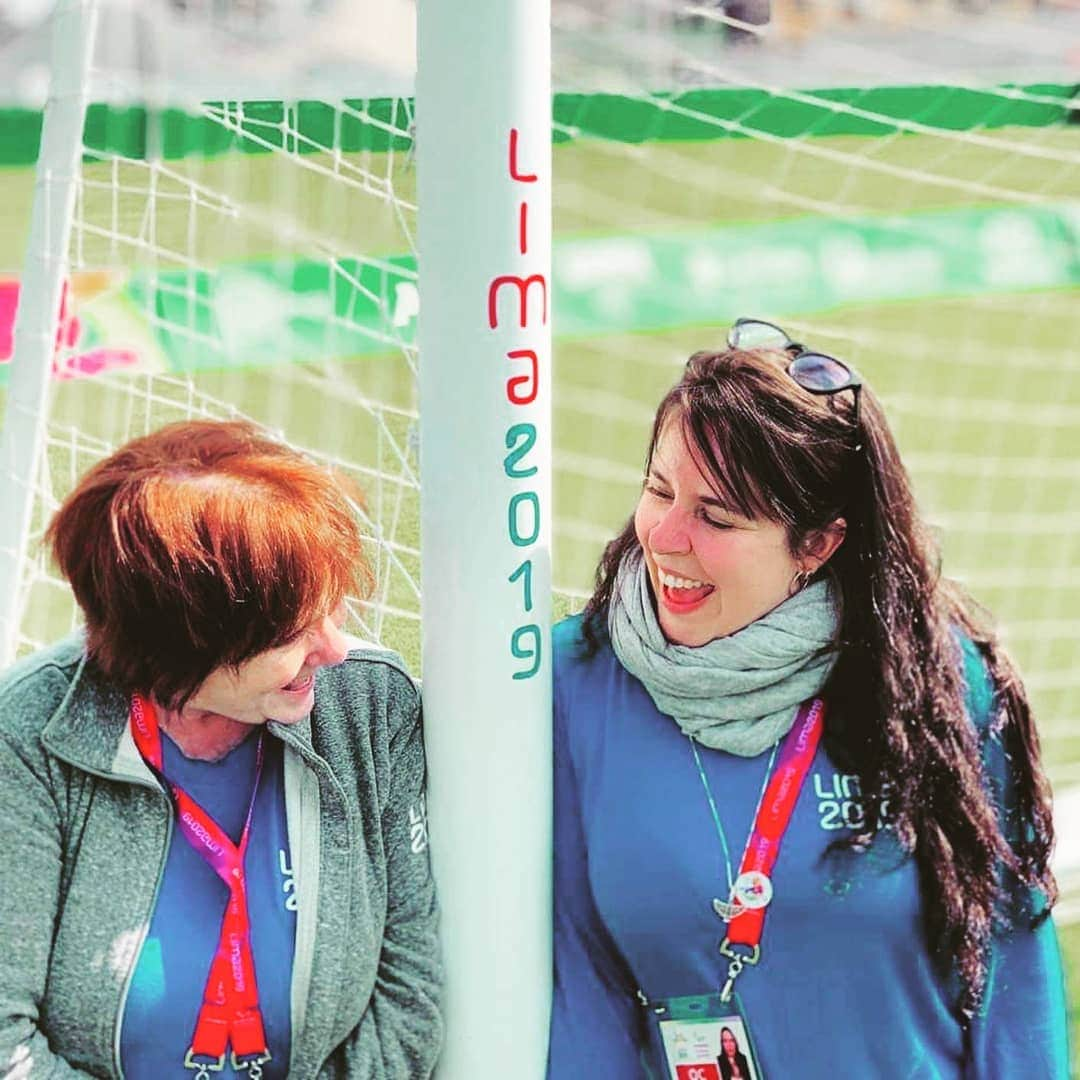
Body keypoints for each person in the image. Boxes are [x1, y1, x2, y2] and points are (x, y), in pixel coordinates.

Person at [547, 319, 1069, 1078]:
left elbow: (1010, 958)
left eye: (717, 517)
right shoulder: (576, 679)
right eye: (659, 490)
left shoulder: (935, 675)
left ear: (818, 544)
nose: (664, 536)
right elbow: (577, 971)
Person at [0, 419, 442, 1079]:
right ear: (180, 650)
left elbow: (412, 989)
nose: (334, 650)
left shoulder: (369, 706)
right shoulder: (28, 732)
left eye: (333, 608)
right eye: (293, 633)